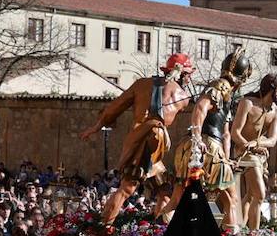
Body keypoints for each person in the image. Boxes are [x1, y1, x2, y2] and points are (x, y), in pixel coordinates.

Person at [80, 54, 197, 224]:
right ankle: (103, 229)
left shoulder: (142, 84)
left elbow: (114, 108)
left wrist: (97, 126)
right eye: (188, 75)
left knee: (163, 189)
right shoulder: (183, 98)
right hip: (152, 143)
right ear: (183, 74)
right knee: (127, 189)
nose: (189, 79)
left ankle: (158, 231)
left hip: (143, 140)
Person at [166, 51, 252, 228]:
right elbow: (200, 108)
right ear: (241, 78)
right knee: (231, 200)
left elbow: (227, 133)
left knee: (176, 198)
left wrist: (227, 160)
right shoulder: (220, 86)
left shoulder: (226, 93)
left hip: (196, 146)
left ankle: (154, 234)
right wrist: (198, 139)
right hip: (207, 146)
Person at [229, 73, 277, 230]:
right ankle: (254, 235)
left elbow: (272, 140)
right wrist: (251, 145)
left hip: (260, 155)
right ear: (272, 89)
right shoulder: (248, 103)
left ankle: (239, 229)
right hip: (243, 152)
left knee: (252, 195)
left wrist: (257, 143)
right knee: (260, 194)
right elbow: (235, 132)